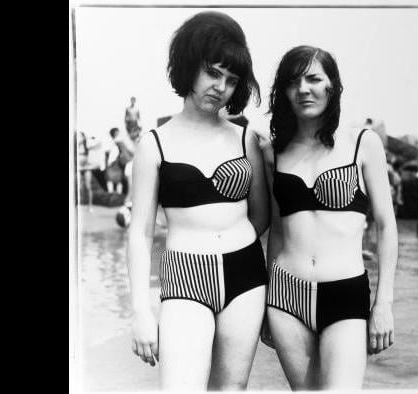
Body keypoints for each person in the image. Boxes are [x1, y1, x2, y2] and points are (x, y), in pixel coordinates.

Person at [126, 11, 268, 391]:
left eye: (231, 79)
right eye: (213, 72)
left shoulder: (245, 138)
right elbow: (140, 232)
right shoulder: (154, 144)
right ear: (190, 66)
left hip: (246, 275)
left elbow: (261, 214)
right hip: (185, 275)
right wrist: (141, 309)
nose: (220, 87)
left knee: (229, 390)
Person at [263, 45, 398, 390]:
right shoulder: (273, 153)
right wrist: (265, 303)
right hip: (285, 295)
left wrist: (383, 303)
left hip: (345, 292)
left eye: (314, 78)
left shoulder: (362, 143)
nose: (304, 89)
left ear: (332, 86)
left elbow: (386, 226)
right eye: (293, 82)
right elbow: (277, 233)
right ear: (284, 92)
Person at [77, 130, 102, 212]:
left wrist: (89, 138)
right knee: (79, 186)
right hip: (78, 167)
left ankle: (90, 205)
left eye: (80, 136)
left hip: (86, 167)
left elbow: (98, 144)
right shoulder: (74, 146)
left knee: (88, 186)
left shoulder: (86, 145)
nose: (79, 138)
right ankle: (78, 205)